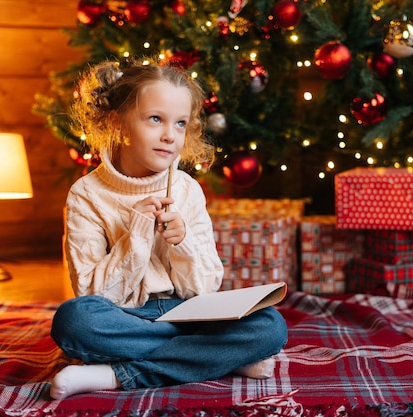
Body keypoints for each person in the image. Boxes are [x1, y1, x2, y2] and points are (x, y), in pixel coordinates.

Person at [49, 59, 288, 400]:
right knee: (74, 321)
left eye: (180, 124)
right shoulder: (87, 194)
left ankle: (116, 375)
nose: (169, 135)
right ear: (119, 124)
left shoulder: (187, 189)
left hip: (186, 314)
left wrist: (184, 242)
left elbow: (205, 288)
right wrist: (137, 235)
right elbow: (93, 294)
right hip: (125, 317)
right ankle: (215, 357)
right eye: (155, 119)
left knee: (269, 326)